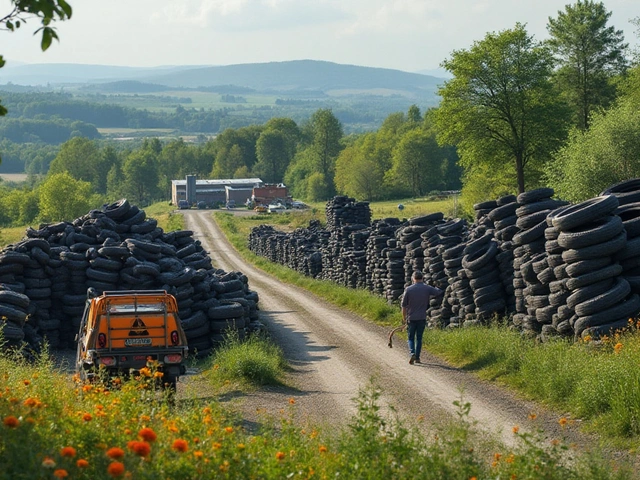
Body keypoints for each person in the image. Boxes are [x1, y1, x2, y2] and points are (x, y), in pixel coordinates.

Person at [401, 271, 443, 365]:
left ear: (413, 278)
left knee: (411, 338)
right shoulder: (427, 288)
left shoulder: (408, 289)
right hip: (422, 317)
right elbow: (438, 292)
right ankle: (418, 357)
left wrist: (404, 319)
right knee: (419, 338)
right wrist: (438, 285)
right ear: (422, 278)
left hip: (411, 318)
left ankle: (412, 353)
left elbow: (403, 306)